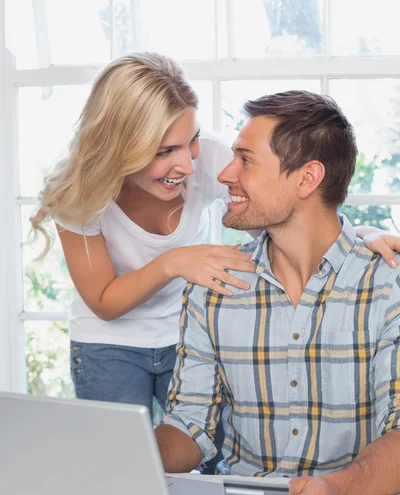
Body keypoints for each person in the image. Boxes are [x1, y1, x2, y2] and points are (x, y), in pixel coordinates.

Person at [31, 52, 397, 422]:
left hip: (187, 334)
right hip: (108, 347)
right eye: (164, 152)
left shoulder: (212, 160)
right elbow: (104, 302)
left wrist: (360, 234)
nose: (189, 165)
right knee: (120, 463)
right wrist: (173, 263)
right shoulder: (79, 190)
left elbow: (282, 222)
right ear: (120, 149)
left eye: (193, 139)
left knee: (210, 456)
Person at [156, 90, 400, 495]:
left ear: (307, 178)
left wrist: (336, 491)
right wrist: (133, 455)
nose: (226, 174)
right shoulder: (215, 286)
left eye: (245, 160)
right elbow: (192, 424)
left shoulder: (388, 286)